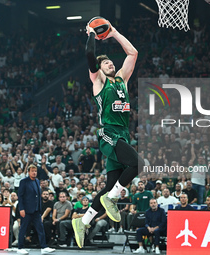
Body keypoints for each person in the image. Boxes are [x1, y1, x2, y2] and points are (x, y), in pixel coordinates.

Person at [72, 19, 144, 249]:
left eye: (111, 62)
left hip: (123, 134)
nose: (111, 64)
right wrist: (92, 34)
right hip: (108, 134)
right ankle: (111, 199)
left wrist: (113, 32)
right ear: (100, 71)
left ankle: (82, 222)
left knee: (110, 184)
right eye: (106, 64)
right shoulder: (99, 82)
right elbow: (90, 57)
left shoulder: (122, 80)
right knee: (137, 164)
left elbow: (132, 53)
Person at [17, 164, 55, 254]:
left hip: (36, 210)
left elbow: (38, 196)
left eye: (35, 171)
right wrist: (21, 209)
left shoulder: (37, 181)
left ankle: (44, 247)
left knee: (40, 228)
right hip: (26, 210)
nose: (34, 173)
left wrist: (39, 208)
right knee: (23, 228)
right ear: (28, 172)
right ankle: (20, 247)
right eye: (32, 171)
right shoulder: (24, 181)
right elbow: (20, 196)